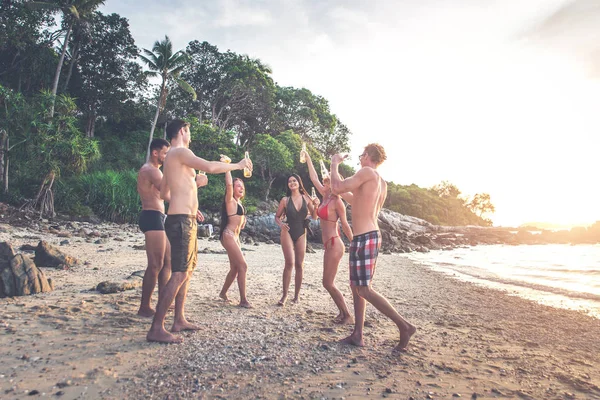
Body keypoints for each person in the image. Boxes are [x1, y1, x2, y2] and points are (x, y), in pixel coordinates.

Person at [146, 119, 252, 344]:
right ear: (183, 131)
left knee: (187, 271)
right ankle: (157, 327)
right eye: (189, 130)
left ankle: (179, 319)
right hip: (182, 221)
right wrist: (238, 165)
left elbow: (165, 192)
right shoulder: (180, 151)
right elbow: (212, 167)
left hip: (185, 219)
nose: (190, 134)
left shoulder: (171, 160)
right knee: (180, 272)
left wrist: (195, 185)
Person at [330, 143, 416, 352]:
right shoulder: (381, 183)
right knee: (356, 286)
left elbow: (337, 188)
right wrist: (337, 189)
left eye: (361, 154)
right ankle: (358, 334)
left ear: (367, 155)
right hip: (367, 236)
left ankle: (404, 326)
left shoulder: (366, 172)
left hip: (365, 237)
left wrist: (334, 164)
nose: (360, 158)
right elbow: (354, 199)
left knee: (364, 289)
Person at [301, 149, 354, 324]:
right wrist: (308, 157)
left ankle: (346, 314)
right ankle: (342, 312)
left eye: (328, 182)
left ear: (335, 184)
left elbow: (345, 224)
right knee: (327, 282)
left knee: (327, 282)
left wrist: (354, 242)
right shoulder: (324, 197)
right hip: (328, 244)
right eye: (325, 181)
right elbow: (313, 177)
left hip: (335, 243)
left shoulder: (338, 202)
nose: (324, 184)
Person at [136, 138, 171, 317]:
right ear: (155, 153)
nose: (167, 156)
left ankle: (163, 300)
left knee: (167, 262)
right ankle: (144, 306)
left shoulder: (154, 170)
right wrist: (195, 184)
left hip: (158, 217)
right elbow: (169, 194)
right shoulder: (151, 170)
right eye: (165, 153)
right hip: (152, 217)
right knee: (155, 265)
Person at [275, 173, 318, 306]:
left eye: (294, 181)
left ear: (299, 183)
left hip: (301, 232)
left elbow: (315, 217)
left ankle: (296, 296)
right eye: (290, 181)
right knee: (289, 263)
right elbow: (277, 217)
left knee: (299, 264)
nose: (292, 183)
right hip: (287, 231)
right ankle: (284, 295)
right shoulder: (285, 200)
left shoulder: (307, 198)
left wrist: (316, 206)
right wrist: (281, 224)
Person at [218, 156, 252, 308]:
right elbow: (228, 184)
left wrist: (242, 221)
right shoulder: (230, 201)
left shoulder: (239, 203)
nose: (240, 187)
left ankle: (223, 293)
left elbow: (240, 221)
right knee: (243, 266)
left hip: (236, 237)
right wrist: (228, 166)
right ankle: (243, 300)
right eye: (237, 186)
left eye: (242, 185)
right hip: (229, 235)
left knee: (235, 268)